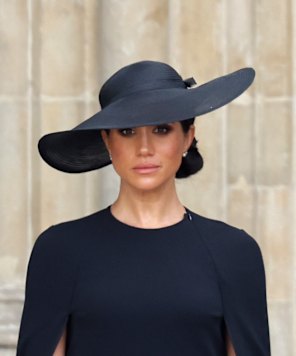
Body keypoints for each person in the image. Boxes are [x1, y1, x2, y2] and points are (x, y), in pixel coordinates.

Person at [17, 60, 270, 356]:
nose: (145, 148)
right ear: (107, 141)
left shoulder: (234, 252)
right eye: (127, 131)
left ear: (188, 137)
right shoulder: (60, 250)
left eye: (162, 129)